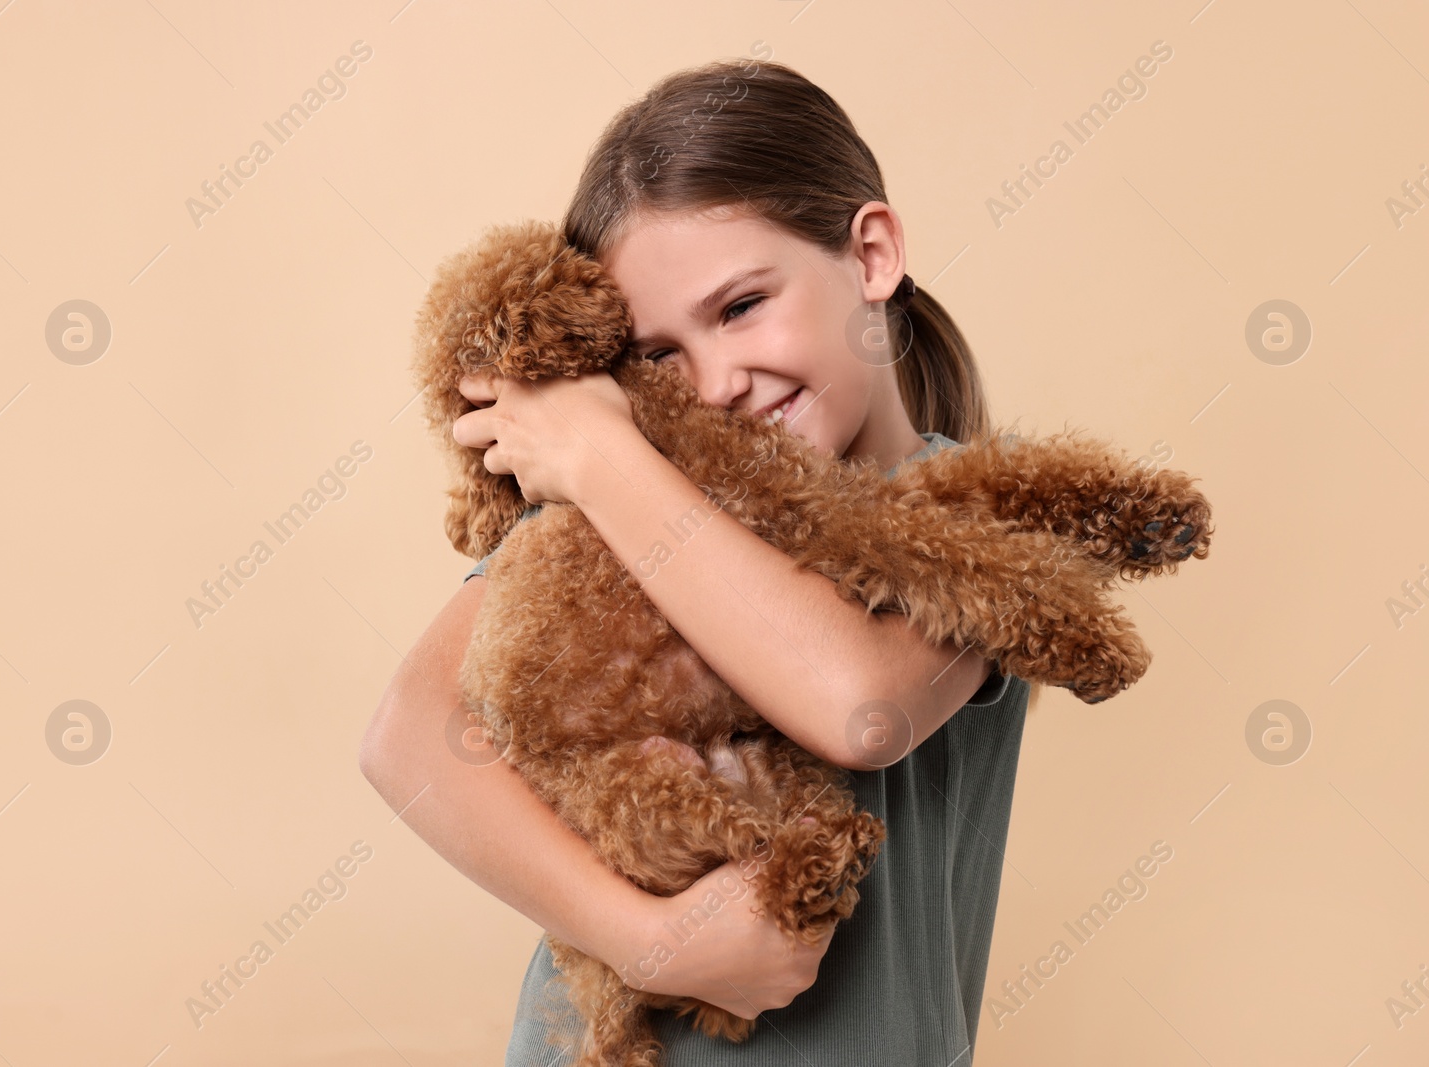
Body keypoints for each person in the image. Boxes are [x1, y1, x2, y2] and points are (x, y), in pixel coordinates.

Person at [359, 57, 1033, 1065]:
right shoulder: (632, 504)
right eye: (660, 356)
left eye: (741, 306)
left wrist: (596, 450)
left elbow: (858, 706)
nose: (715, 382)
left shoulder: (988, 517)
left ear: (872, 253)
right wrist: (650, 943)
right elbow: (408, 735)